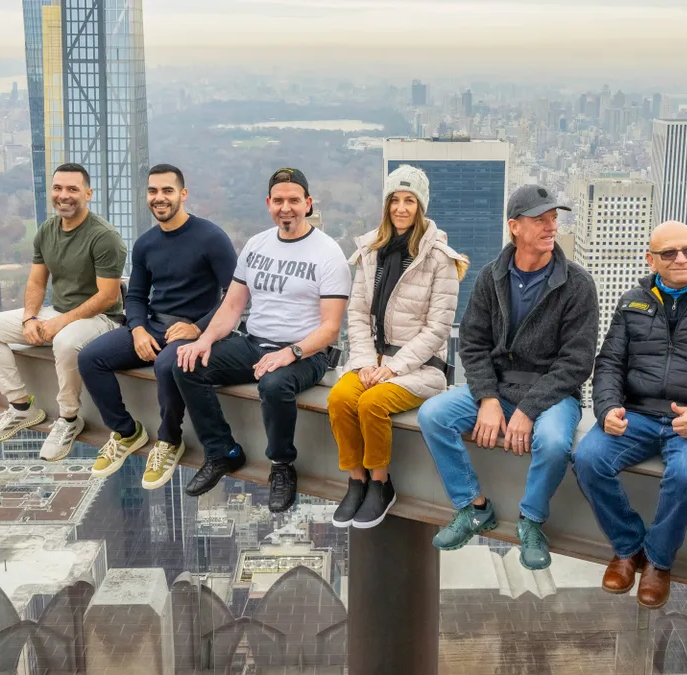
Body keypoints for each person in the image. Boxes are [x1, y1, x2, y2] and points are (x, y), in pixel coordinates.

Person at [418, 184, 599, 571]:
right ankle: (472, 506)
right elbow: (473, 342)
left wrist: (530, 409)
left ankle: (531, 521)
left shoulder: (577, 284)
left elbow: (577, 362)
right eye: (540, 220)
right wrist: (487, 398)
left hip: (552, 394)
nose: (551, 227)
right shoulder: (491, 277)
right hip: (497, 386)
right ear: (515, 227)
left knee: (551, 443)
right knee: (433, 415)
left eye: (554, 219)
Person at [573, 221, 687, 608]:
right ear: (650, 259)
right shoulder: (632, 301)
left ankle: (658, 559)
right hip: (635, 413)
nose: (682, 259)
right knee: (587, 459)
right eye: (669, 253)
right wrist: (605, 408)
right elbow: (609, 364)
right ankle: (627, 547)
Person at [174, 168, 350, 512]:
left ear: (308, 204)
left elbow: (330, 328)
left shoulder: (329, 254)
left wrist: (291, 352)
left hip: (306, 353)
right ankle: (222, 451)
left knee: (273, 385)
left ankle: (282, 466)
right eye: (279, 200)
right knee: (188, 365)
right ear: (269, 204)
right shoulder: (257, 245)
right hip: (254, 343)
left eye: (294, 200)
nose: (287, 208)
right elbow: (233, 306)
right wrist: (204, 340)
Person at [78, 164, 237, 488]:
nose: (159, 198)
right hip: (151, 326)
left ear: (182, 194)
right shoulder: (146, 243)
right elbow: (135, 295)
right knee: (89, 358)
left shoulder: (211, 237)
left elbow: (236, 295)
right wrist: (137, 329)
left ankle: (169, 441)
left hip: (191, 332)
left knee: (168, 364)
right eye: (153, 191)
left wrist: (199, 328)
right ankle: (125, 432)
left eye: (167, 190)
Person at [329, 166, 467, 529]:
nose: (401, 208)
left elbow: (438, 329)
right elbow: (356, 315)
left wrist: (393, 368)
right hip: (370, 359)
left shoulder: (441, 259)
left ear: (421, 206)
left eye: (409, 201)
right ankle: (356, 480)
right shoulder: (370, 250)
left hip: (420, 367)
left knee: (372, 403)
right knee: (341, 399)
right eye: (395, 200)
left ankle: (380, 484)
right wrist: (362, 363)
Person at [0, 163, 127, 461]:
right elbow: (36, 281)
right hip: (55, 311)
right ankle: (21, 407)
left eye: (72, 189)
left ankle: (69, 419)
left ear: (88, 193)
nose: (64, 195)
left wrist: (59, 322)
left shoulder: (104, 236)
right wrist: (30, 318)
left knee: (65, 341)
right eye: (58, 188)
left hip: (102, 320)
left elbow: (108, 297)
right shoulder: (47, 230)